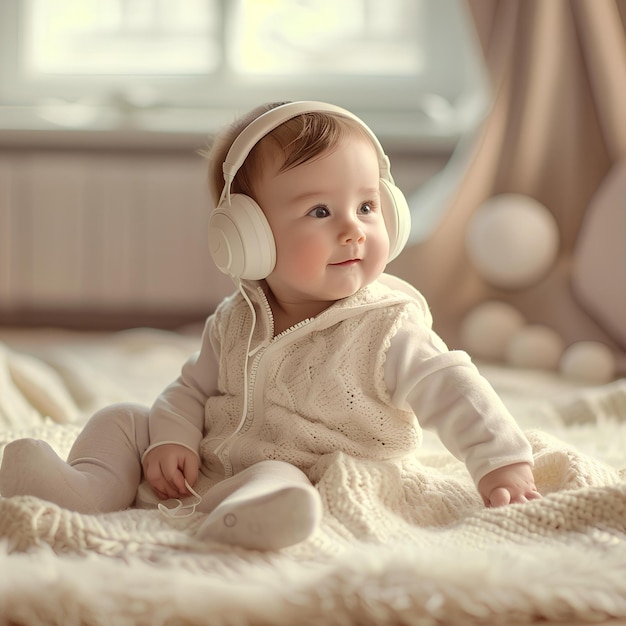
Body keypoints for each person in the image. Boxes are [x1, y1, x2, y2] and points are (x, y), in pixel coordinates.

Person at [0, 101, 541, 551]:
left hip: (298, 467)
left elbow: (455, 387)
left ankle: (249, 519)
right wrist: (171, 439)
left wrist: (501, 463)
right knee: (120, 418)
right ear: (248, 238)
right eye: (321, 213)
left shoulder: (387, 328)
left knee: (276, 481)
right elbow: (189, 390)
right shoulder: (235, 318)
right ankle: (83, 489)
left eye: (369, 206)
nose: (354, 229)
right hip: (208, 455)